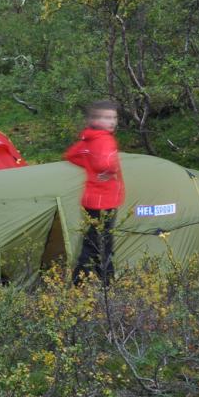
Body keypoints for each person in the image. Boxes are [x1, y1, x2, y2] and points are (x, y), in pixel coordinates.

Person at [64, 100, 124, 286]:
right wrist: (108, 171)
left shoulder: (88, 138)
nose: (112, 122)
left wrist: (90, 168)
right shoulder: (105, 139)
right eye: (106, 118)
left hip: (91, 199)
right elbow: (106, 163)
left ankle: (80, 280)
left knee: (90, 240)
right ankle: (107, 281)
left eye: (113, 117)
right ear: (94, 120)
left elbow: (71, 155)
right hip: (105, 199)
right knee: (105, 241)